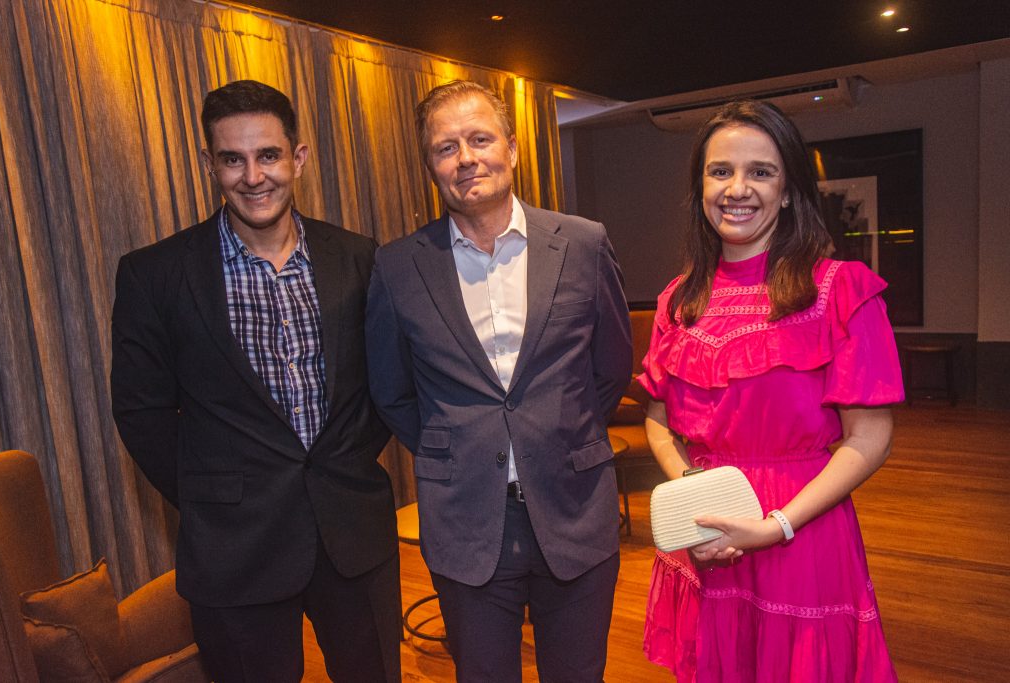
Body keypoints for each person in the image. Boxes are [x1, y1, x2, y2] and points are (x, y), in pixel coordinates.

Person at [111, 80, 401, 682]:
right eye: (232, 159)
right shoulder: (154, 274)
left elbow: (382, 383)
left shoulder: (358, 256)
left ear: (297, 157)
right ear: (209, 164)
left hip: (352, 533)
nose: (253, 176)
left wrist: (340, 464)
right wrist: (213, 491)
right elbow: (141, 413)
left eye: (268, 155)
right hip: (233, 547)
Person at [366, 80, 632, 682]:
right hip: (465, 522)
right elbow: (393, 392)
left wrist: (559, 436)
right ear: (430, 165)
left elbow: (611, 367)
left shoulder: (583, 243)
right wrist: (459, 450)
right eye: (446, 147)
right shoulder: (398, 265)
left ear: (511, 149)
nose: (466, 158)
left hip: (575, 509)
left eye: (480, 139)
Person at [639, 100, 902, 681]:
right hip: (709, 535)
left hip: (800, 536)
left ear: (788, 191)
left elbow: (870, 437)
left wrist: (775, 525)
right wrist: (695, 494)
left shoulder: (839, 288)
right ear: (701, 187)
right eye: (720, 171)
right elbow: (659, 416)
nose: (738, 188)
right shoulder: (678, 299)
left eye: (761, 171)